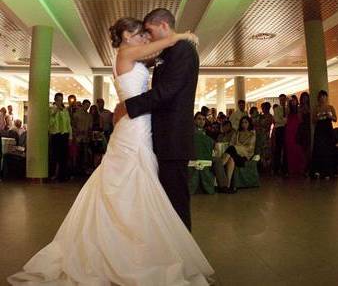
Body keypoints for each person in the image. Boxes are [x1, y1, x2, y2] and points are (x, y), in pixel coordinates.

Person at [9, 14, 213, 285]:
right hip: (135, 129)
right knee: (135, 186)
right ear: (127, 36)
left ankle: (151, 250)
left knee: (145, 189)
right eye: (141, 33)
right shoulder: (128, 51)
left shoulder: (144, 54)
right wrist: (182, 34)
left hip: (143, 127)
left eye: (148, 32)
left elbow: (167, 83)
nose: (146, 37)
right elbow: (159, 66)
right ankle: (141, 252)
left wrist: (129, 105)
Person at [221, 116, 256, 193]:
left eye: (246, 122)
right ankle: (228, 185)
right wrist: (236, 147)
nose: (244, 124)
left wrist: (238, 147)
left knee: (232, 149)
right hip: (234, 153)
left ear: (249, 123)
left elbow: (250, 148)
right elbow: (231, 143)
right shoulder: (237, 133)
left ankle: (220, 165)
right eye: (242, 122)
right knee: (231, 158)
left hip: (244, 155)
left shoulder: (252, 134)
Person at [310, 90, 337, 179]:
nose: (322, 98)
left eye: (324, 96)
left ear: (326, 97)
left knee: (329, 149)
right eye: (321, 97)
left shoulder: (330, 107)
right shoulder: (316, 108)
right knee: (319, 149)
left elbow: (335, 119)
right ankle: (318, 171)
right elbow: (313, 120)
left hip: (328, 128)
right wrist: (318, 117)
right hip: (319, 129)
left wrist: (330, 116)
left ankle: (329, 171)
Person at [48, 93, 72, 182]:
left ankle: (62, 176)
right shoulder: (51, 110)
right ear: (55, 100)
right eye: (58, 100)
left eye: (61, 100)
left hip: (64, 135)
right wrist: (55, 113)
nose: (60, 102)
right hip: (56, 134)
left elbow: (68, 124)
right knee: (54, 156)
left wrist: (70, 136)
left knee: (64, 156)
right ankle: (53, 175)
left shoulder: (65, 111)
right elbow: (50, 123)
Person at [285, 95, 306, 176]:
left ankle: (300, 169)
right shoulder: (289, 110)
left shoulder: (299, 109)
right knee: (290, 150)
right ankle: (292, 169)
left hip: (297, 131)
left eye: (294, 100)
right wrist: (287, 102)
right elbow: (286, 118)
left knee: (298, 149)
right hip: (289, 131)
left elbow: (301, 120)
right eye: (292, 101)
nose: (293, 102)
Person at [273, 94, 288, 176]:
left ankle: (285, 168)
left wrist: (284, 121)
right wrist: (285, 121)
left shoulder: (287, 109)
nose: (282, 101)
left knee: (286, 148)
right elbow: (276, 120)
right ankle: (276, 168)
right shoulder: (276, 109)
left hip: (286, 130)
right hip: (279, 129)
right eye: (281, 99)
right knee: (278, 149)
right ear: (279, 100)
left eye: (284, 99)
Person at [296, 92, 311, 175]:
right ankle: (305, 167)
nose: (305, 99)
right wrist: (303, 110)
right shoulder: (300, 108)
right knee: (303, 148)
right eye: (303, 98)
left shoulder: (310, 106)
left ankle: (307, 167)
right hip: (302, 128)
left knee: (308, 148)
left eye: (306, 98)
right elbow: (300, 119)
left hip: (309, 128)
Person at [258, 102, 274, 172]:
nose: (263, 109)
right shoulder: (262, 116)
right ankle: (263, 167)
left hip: (266, 136)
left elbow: (265, 124)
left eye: (263, 108)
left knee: (266, 152)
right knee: (262, 151)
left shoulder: (269, 116)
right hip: (261, 136)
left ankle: (267, 168)